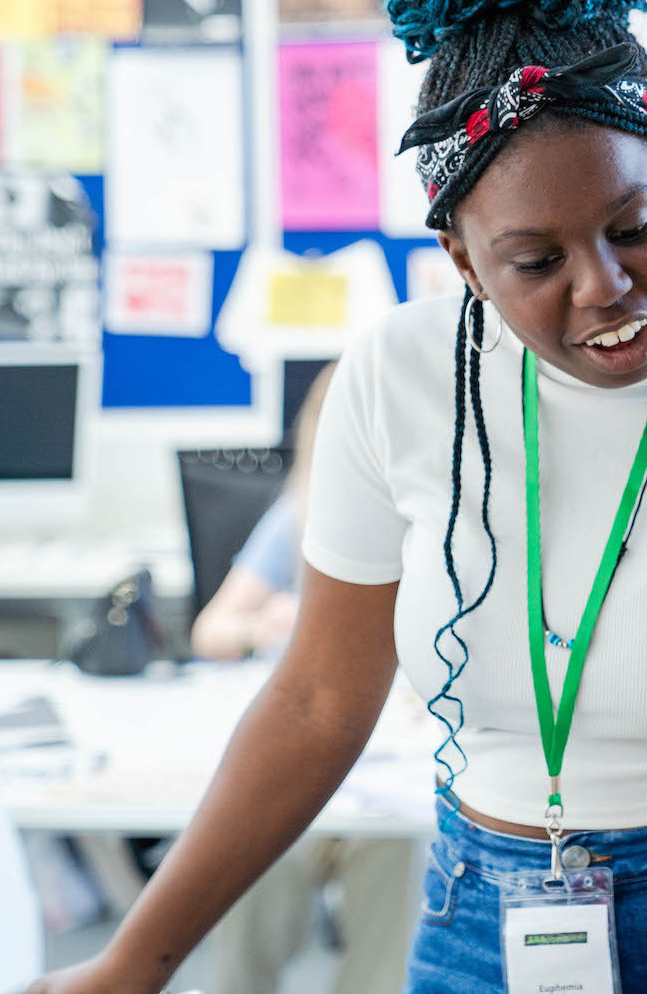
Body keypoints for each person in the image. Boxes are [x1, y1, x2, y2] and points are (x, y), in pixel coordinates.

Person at [30, 0, 647, 994]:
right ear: (463, 259)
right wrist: (133, 962)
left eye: (635, 227)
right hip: (480, 917)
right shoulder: (394, 377)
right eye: (535, 261)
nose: (604, 286)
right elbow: (318, 701)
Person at [189, 363, 417, 994]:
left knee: (399, 854)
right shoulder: (297, 518)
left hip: (392, 768)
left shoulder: (435, 523)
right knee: (249, 847)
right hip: (300, 758)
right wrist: (264, 624)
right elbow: (212, 632)